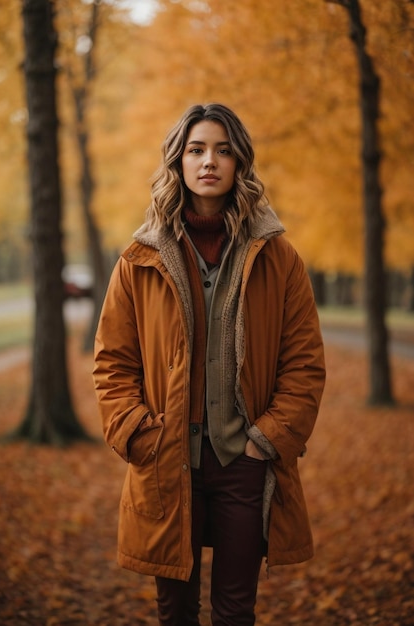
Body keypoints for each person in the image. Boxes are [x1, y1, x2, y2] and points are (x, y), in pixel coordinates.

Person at [93, 103, 326, 626]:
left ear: (240, 162)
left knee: (235, 610)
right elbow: (112, 362)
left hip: (243, 463)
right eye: (196, 150)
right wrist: (139, 434)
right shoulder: (139, 258)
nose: (209, 162)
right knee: (174, 610)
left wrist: (264, 440)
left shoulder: (277, 257)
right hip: (165, 461)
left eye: (223, 150)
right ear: (178, 161)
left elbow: (304, 363)